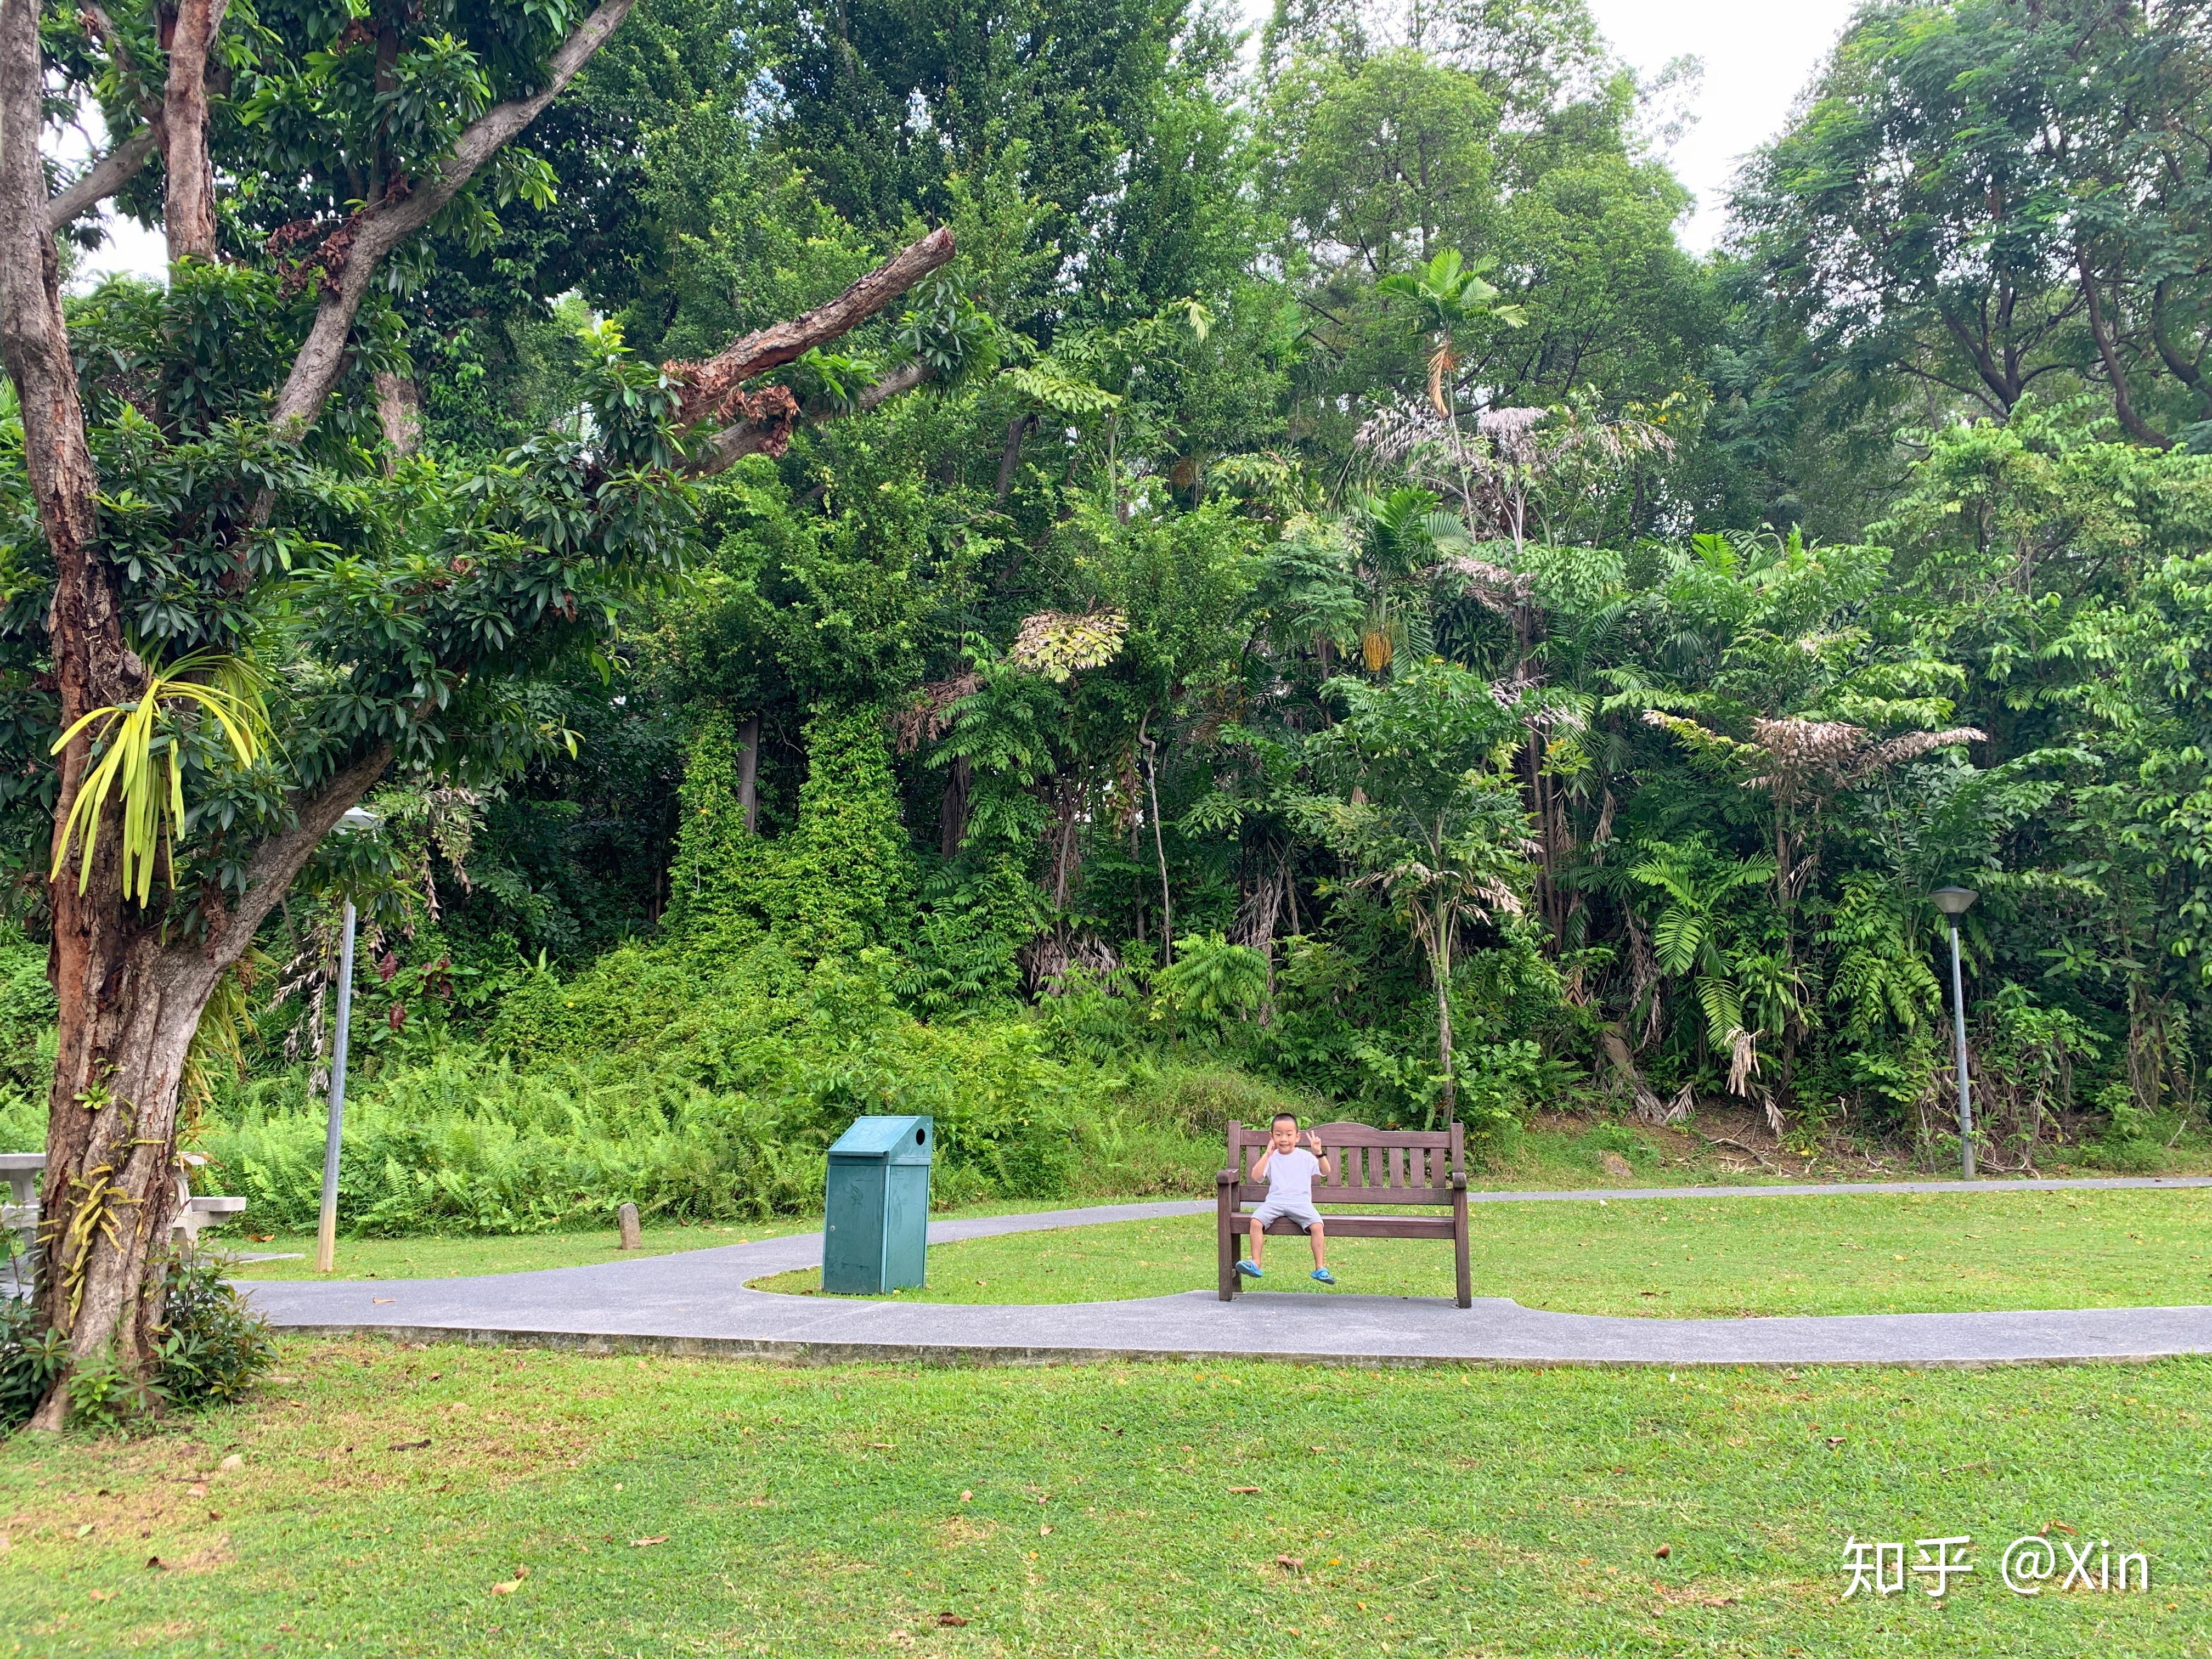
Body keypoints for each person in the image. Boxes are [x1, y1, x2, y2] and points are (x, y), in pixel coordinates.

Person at [1237, 1112, 1336, 1285]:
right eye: (1278, 1134)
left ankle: (1320, 1268)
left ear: (1297, 1137)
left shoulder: (1305, 1157)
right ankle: (1255, 1263)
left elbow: (1326, 1171)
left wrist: (1319, 1153)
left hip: (1301, 1203)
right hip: (1274, 1202)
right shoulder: (1271, 1157)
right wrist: (1267, 1154)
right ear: (1272, 1137)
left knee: (1317, 1226)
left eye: (1289, 1135)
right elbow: (1256, 1176)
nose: (1284, 1139)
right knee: (1256, 1222)